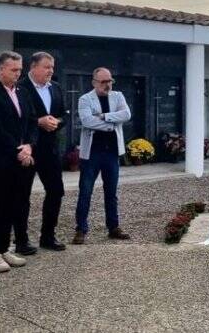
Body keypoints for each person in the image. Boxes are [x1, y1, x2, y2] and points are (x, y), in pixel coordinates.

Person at [0, 51, 38, 272]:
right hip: (0, 160)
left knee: (14, 204)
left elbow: (32, 121)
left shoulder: (23, 92)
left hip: (22, 158)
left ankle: (4, 249)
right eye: (13, 70)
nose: (17, 73)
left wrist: (29, 145)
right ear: (1, 69)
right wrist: (18, 150)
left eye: (19, 69)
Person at [73, 67, 131, 244]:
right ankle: (81, 229)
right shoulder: (85, 99)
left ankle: (113, 227)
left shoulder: (118, 96)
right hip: (92, 153)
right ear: (94, 82)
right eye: (103, 82)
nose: (108, 85)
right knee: (85, 191)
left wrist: (104, 116)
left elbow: (126, 114)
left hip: (111, 153)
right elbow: (87, 121)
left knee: (111, 192)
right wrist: (111, 124)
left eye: (110, 81)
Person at [17, 52, 68, 251]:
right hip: (28, 149)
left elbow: (64, 114)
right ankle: (21, 240)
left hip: (50, 148)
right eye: (47, 67)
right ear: (33, 67)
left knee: (56, 191)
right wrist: (39, 121)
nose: (51, 71)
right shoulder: (20, 87)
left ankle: (48, 236)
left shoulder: (56, 87)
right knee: (22, 194)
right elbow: (17, 117)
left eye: (52, 67)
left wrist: (57, 121)